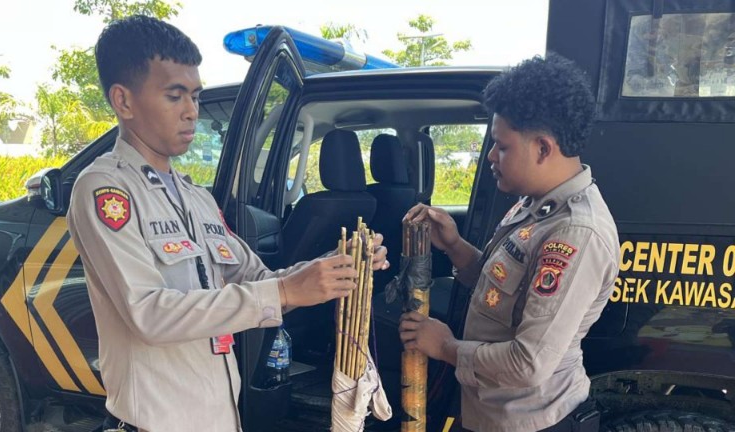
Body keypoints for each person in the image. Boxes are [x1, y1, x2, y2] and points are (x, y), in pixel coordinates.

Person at [66, 15, 389, 432]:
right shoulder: (106, 191)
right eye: (174, 95)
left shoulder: (195, 198)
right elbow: (149, 313)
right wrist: (285, 290)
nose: (190, 112)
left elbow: (258, 277)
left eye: (196, 97)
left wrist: (334, 267)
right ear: (123, 101)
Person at [398, 53, 619, 432]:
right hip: (492, 412)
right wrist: (454, 245)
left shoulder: (575, 233)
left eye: (502, 147)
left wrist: (446, 347)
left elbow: (528, 363)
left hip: (527, 422)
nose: (491, 156)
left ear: (543, 148)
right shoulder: (536, 204)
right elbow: (500, 288)